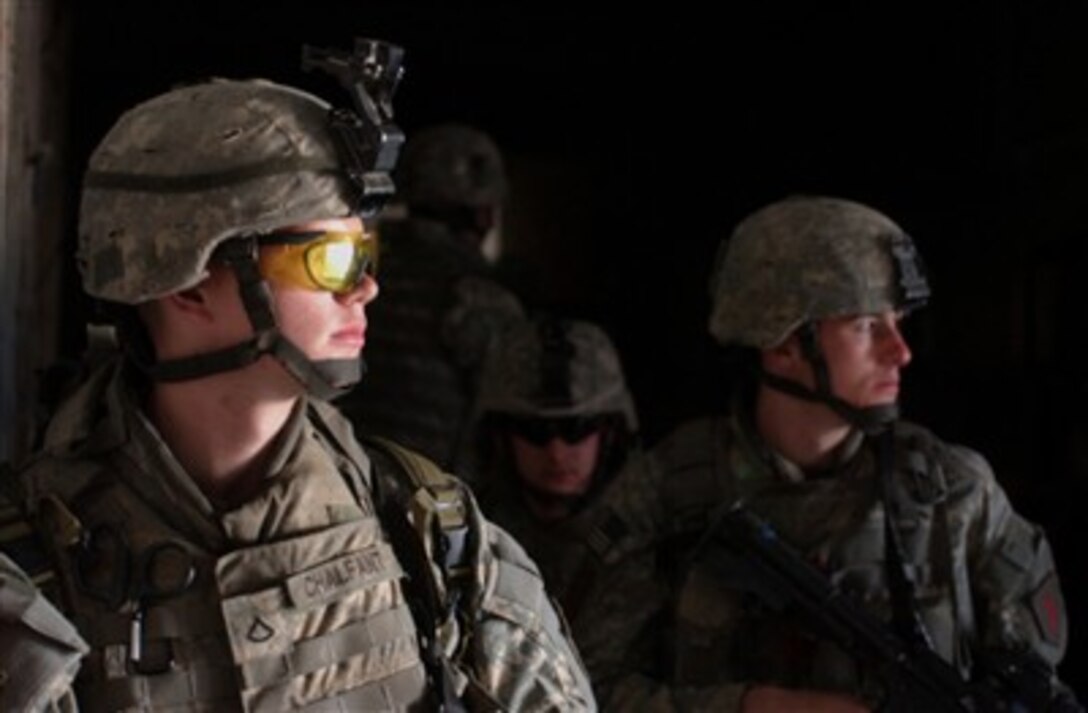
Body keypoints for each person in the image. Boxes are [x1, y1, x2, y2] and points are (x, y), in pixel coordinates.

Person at [2, 49, 594, 711]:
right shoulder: (29, 570)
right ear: (192, 283)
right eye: (330, 258)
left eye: (366, 252)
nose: (367, 288)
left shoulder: (437, 541)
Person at [573, 196, 1079, 711]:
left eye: (898, 322)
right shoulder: (665, 494)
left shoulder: (955, 494)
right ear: (784, 345)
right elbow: (576, 691)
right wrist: (753, 707)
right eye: (865, 326)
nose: (900, 352)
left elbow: (1038, 687)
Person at [337, 124, 524, 472]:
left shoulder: (355, 274)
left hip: (342, 480)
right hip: (430, 500)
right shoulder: (480, 297)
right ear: (485, 215)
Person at [471, 316, 639, 617]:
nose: (557, 452)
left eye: (576, 428)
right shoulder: (474, 536)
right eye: (534, 431)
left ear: (610, 433)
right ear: (500, 437)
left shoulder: (650, 534)